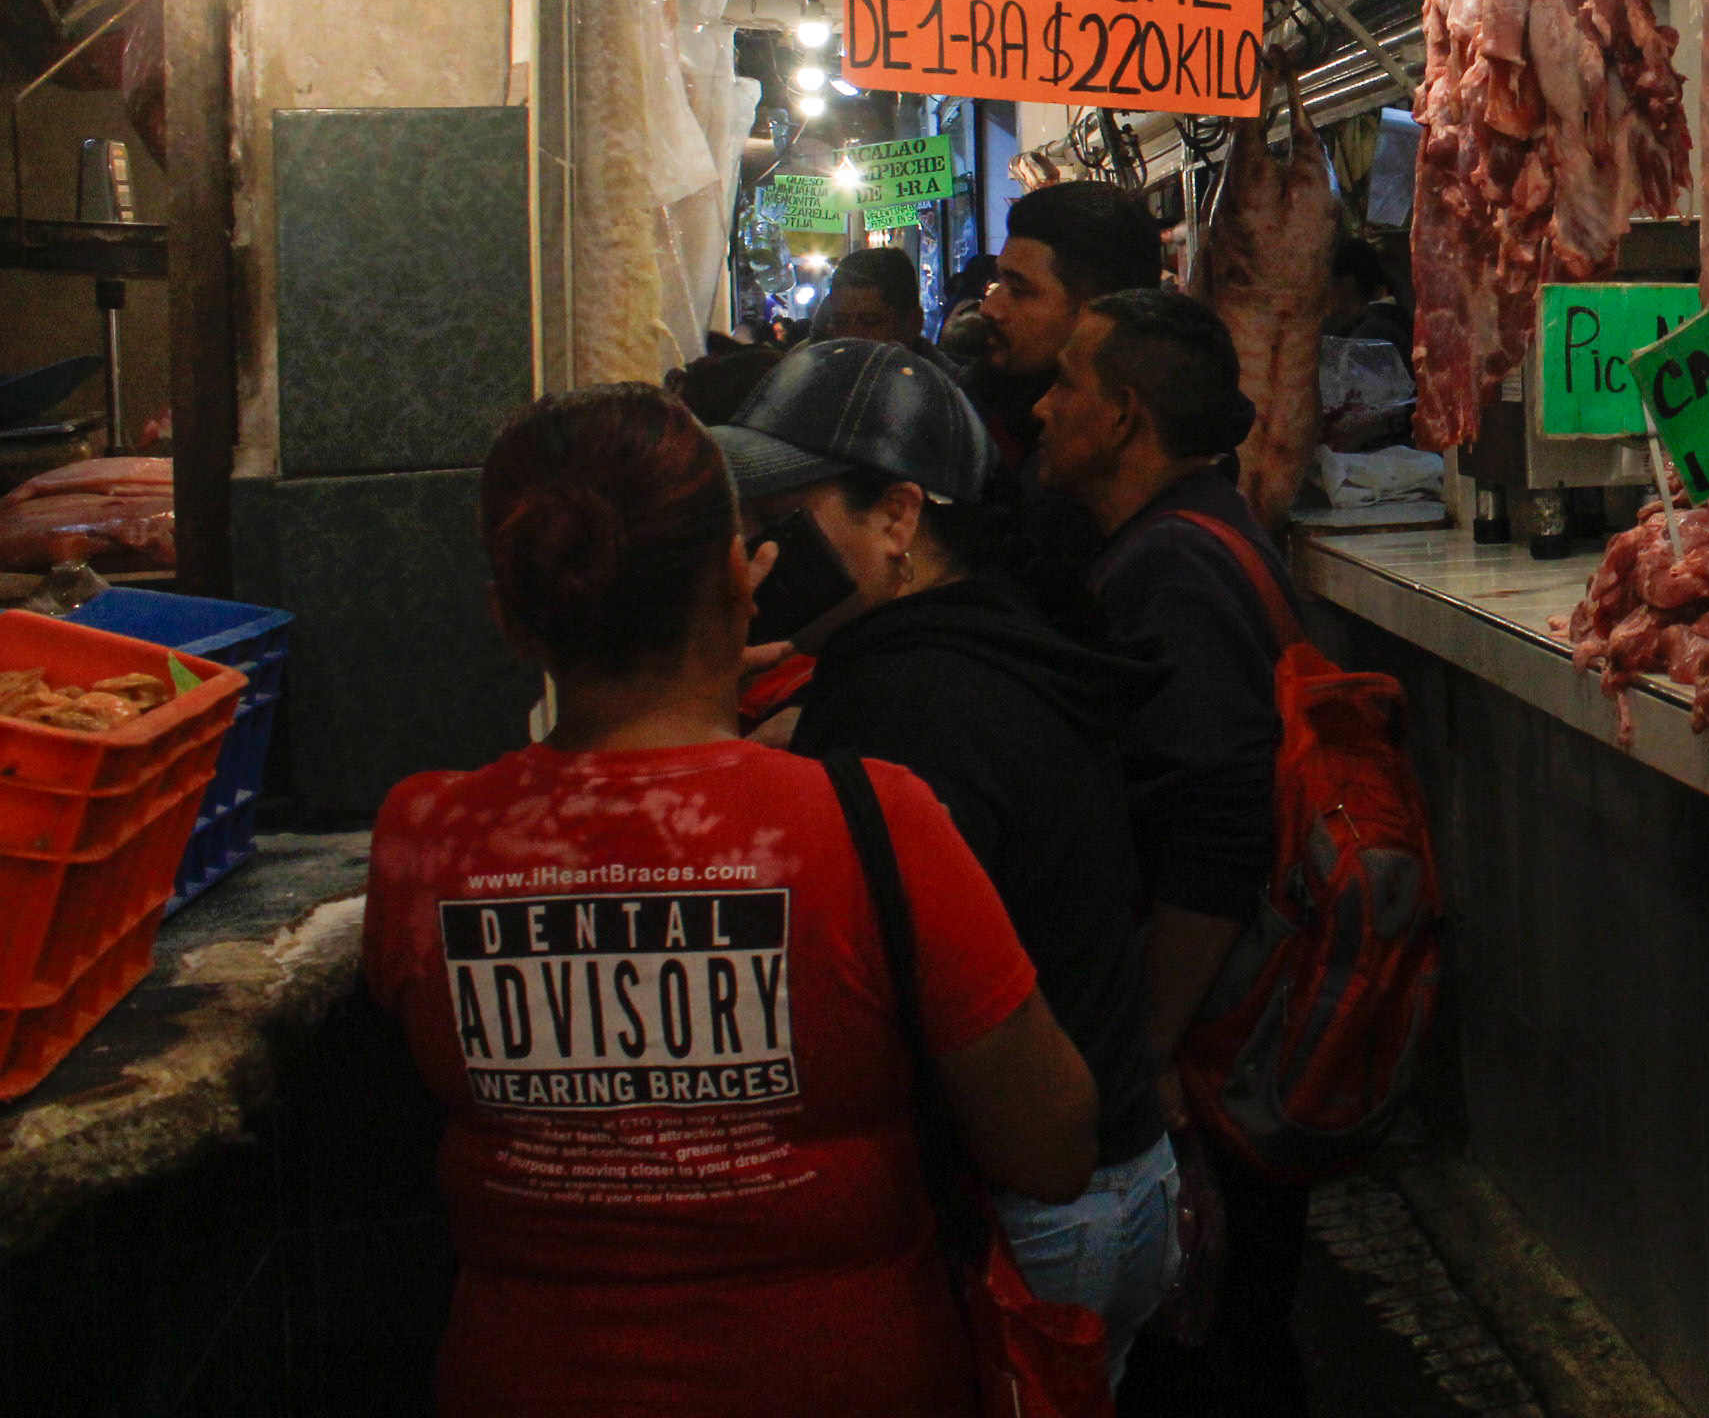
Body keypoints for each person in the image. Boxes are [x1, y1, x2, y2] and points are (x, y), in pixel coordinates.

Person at [362, 384, 1096, 1417]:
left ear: (509, 619)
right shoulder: (869, 823)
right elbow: (1051, 1147)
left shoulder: (424, 839)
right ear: (745, 578)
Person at [711, 340, 1182, 1378]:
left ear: (899, 518)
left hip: (1035, 1220)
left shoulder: (912, 705)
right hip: (1115, 1177)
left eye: (778, 515)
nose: (748, 551)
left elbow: (913, 1008)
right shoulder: (977, 644)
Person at [1033, 288, 1309, 1418]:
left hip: (1213, 1038)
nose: (1043, 408)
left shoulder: (1171, 568)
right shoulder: (1184, 535)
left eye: (1065, 385)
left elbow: (1216, 823)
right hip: (1223, 1021)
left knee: (1216, 1357)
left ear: (1123, 417)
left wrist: (1150, 1042)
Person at [970, 179, 1170, 630]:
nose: (991, 308)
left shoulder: (1119, 471)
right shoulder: (980, 417)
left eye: (1019, 289)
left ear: (1095, 312)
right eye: (998, 282)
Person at [820, 244, 951, 371]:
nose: (852, 335)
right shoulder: (814, 382)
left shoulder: (953, 389)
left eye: (869, 321)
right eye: (841, 322)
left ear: (913, 323)